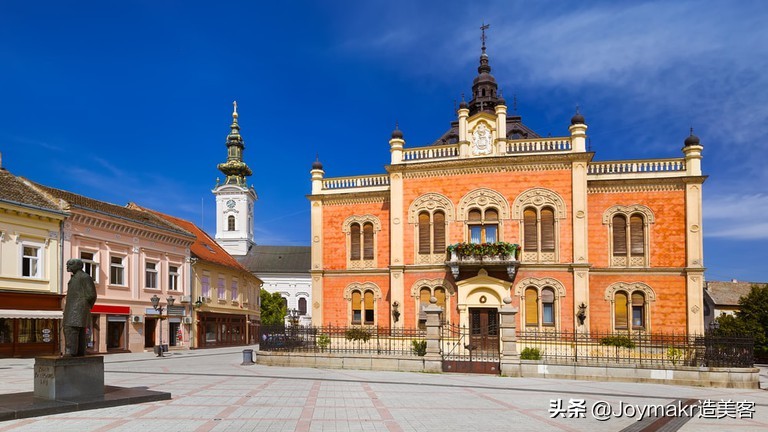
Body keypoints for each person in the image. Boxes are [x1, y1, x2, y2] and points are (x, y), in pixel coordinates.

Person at [63, 258, 97, 356]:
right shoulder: (74, 278)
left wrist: (85, 307)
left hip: (78, 309)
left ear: (78, 266)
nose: (67, 266)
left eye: (69, 264)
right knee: (78, 330)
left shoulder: (85, 277)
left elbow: (92, 295)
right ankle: (79, 352)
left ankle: (71, 352)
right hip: (74, 308)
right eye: (67, 264)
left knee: (70, 328)